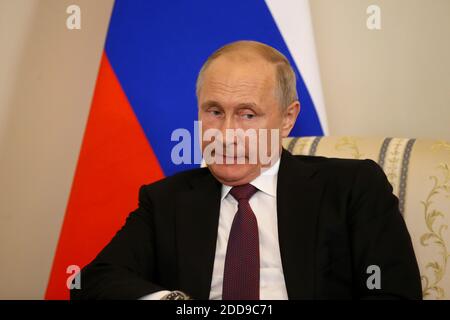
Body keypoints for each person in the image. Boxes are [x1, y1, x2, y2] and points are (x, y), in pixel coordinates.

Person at [71, 40, 422, 300]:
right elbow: (93, 281)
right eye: (214, 111)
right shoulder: (166, 200)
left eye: (247, 114)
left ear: (287, 118)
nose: (226, 134)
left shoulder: (352, 187)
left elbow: (394, 293)